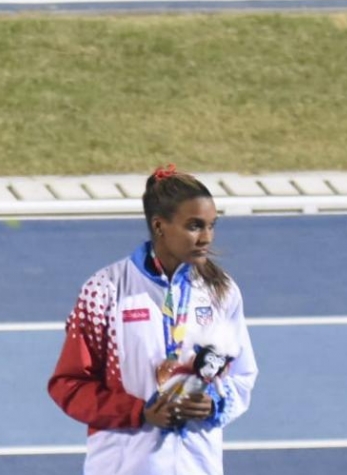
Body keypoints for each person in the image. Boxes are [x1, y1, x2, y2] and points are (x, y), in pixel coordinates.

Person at [48, 165, 258, 474]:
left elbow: (242, 376)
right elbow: (69, 385)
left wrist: (215, 403)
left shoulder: (221, 291)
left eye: (212, 225)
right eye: (195, 226)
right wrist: (140, 412)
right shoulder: (105, 290)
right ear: (160, 226)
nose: (206, 238)